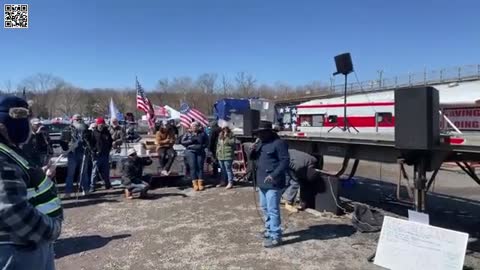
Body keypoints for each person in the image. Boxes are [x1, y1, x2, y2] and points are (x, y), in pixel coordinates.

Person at [0, 96, 63, 270]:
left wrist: (40, 176)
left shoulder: (8, 151)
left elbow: (12, 185)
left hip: (24, 246)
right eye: (26, 120)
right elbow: (10, 209)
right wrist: (51, 229)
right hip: (16, 250)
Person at [249, 120, 290, 248]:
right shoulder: (260, 143)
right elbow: (253, 158)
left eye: (261, 133)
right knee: (265, 208)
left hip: (274, 182)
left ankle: (276, 236)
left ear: (269, 132)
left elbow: (285, 161)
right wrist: (252, 150)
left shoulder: (278, 143)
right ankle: (268, 230)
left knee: (273, 210)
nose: (259, 135)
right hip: (262, 181)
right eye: (258, 133)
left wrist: (273, 175)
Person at [60, 114, 91, 198]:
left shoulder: (86, 129)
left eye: (80, 119)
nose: (78, 121)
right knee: (70, 174)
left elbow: (91, 139)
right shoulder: (67, 129)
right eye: (76, 119)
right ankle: (68, 192)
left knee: (84, 173)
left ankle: (86, 189)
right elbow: (62, 141)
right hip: (72, 153)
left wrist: (88, 146)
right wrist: (67, 147)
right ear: (72, 120)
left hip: (83, 152)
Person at [181, 122, 208, 191]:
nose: (194, 127)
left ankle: (200, 183)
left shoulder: (203, 133)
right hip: (190, 151)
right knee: (193, 167)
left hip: (200, 151)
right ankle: (195, 184)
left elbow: (207, 142)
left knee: (200, 167)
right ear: (191, 127)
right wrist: (191, 141)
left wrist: (202, 146)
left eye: (196, 126)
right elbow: (183, 142)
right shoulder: (187, 133)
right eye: (193, 126)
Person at [90, 117, 113, 192]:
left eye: (103, 124)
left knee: (106, 171)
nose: (102, 125)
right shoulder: (94, 132)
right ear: (97, 124)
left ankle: (108, 185)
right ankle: (92, 186)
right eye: (100, 124)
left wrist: (108, 150)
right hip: (97, 155)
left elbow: (110, 142)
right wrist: (94, 151)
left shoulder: (107, 132)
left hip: (105, 154)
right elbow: (91, 143)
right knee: (94, 172)